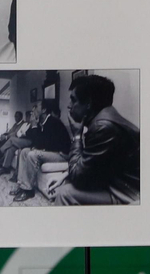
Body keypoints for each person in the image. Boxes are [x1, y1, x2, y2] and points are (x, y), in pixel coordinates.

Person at [54, 73, 141, 205]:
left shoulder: (103, 127)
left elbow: (79, 177)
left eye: (73, 100)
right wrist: (64, 175)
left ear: (88, 104)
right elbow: (92, 163)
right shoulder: (104, 119)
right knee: (67, 184)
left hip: (128, 193)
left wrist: (77, 136)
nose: (69, 105)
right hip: (116, 184)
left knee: (65, 193)